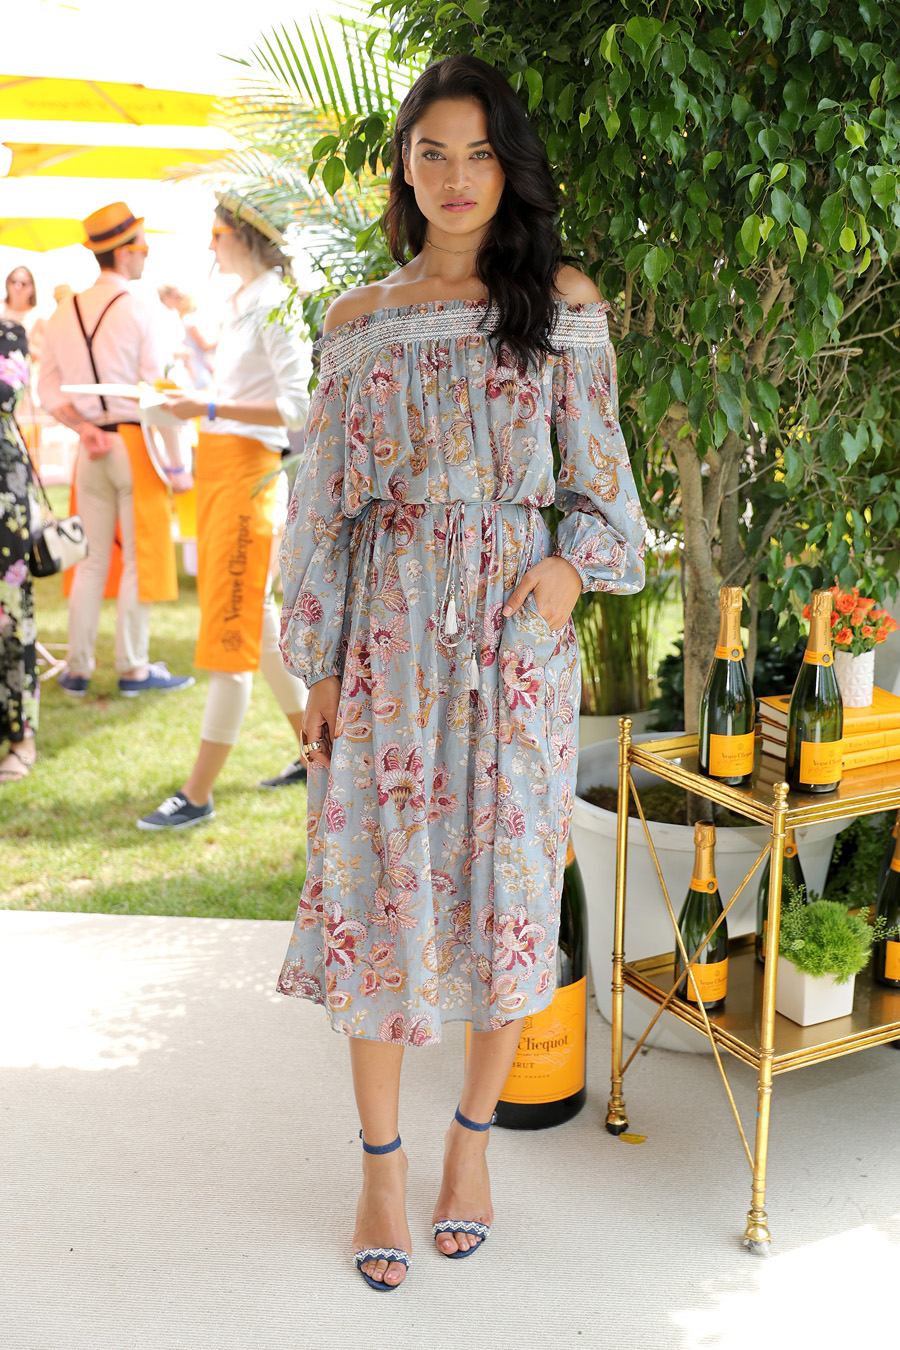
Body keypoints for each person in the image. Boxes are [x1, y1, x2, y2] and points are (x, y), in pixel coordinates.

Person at [274, 55, 647, 1291]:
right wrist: (317, 659)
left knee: (507, 894)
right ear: (402, 165)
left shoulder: (560, 302)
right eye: (431, 152)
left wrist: (566, 576)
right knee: (377, 890)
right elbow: (319, 513)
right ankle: (379, 1161)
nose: (454, 177)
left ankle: (469, 1145)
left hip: (512, 645)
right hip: (386, 639)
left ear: (510, 167)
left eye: (478, 153)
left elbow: (606, 497)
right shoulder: (357, 321)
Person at [137, 193, 311, 832]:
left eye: (216, 233)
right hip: (222, 476)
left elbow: (299, 407)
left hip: (247, 483)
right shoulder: (245, 302)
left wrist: (204, 408)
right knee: (255, 627)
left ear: (246, 236)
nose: (209, 245)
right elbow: (245, 395)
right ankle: (314, 754)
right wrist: (196, 401)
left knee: (233, 636)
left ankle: (199, 792)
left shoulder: (274, 304)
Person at [38, 202, 194, 699]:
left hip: (90, 446)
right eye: (144, 248)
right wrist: (178, 464)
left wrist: (82, 427)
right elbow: (157, 393)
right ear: (125, 253)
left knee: (90, 560)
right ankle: (133, 668)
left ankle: (78, 668)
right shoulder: (144, 308)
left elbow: (49, 393)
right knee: (140, 559)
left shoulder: (63, 312)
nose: (147, 257)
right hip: (135, 440)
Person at [0, 318, 39, 783]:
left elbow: (6, 395)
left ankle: (21, 737)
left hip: (4, 498)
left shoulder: (8, 333)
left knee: (11, 620)